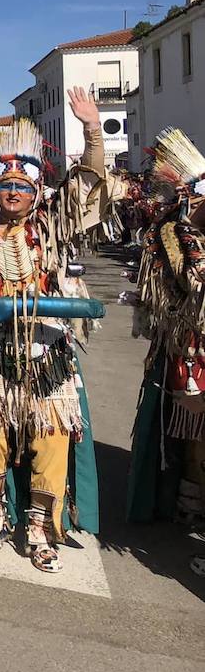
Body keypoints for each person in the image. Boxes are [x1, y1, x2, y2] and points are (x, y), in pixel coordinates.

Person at [0, 89, 107, 574]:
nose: (13, 192)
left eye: (23, 184)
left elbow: (90, 183)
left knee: (50, 434)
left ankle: (38, 526)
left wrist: (93, 129)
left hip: (48, 350)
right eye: (5, 184)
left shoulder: (56, 223)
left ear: (37, 189)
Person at [127, 127, 205, 576]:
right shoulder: (170, 232)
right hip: (182, 342)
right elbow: (175, 281)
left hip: (189, 340)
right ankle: (186, 503)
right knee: (188, 426)